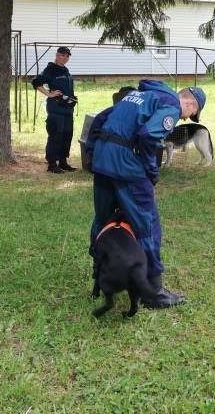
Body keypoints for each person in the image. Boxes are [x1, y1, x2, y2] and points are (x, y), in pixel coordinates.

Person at [85, 80, 206, 309]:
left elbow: (100, 118)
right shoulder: (170, 104)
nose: (185, 119)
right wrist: (152, 171)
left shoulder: (139, 95)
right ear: (190, 102)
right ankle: (153, 293)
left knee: (103, 220)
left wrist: (91, 152)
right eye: (191, 114)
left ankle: (99, 272)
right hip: (126, 165)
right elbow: (148, 135)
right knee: (147, 225)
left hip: (103, 159)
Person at [32, 46, 78, 174]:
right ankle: (52, 164)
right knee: (56, 134)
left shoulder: (65, 70)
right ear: (57, 55)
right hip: (56, 108)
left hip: (68, 109)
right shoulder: (51, 69)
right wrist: (49, 94)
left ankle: (63, 162)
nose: (65, 58)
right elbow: (36, 82)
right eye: (62, 55)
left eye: (67, 56)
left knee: (67, 134)